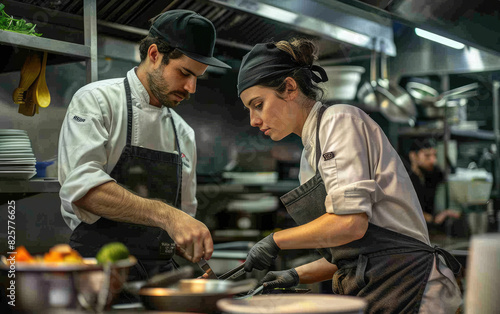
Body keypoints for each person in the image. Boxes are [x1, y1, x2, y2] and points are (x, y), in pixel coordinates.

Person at [236, 39, 462, 313]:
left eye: (258, 104)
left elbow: (351, 225)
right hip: (380, 287)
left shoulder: (339, 121)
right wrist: (296, 274)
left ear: (290, 88)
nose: (253, 120)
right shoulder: (311, 157)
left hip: (410, 285)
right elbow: (352, 253)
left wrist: (275, 240)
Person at [58, 10, 231, 281]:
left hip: (159, 278)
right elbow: (83, 190)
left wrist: (186, 239)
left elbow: (183, 215)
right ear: (154, 55)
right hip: (100, 272)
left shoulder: (183, 132)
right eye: (185, 73)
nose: (191, 87)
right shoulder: (97, 101)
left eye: (198, 77)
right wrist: (167, 216)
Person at [408, 139, 461, 231]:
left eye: (434, 155)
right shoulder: (406, 180)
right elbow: (408, 212)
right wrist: (434, 219)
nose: (433, 160)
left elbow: (451, 174)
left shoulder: (432, 174)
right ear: (413, 156)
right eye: (427, 155)